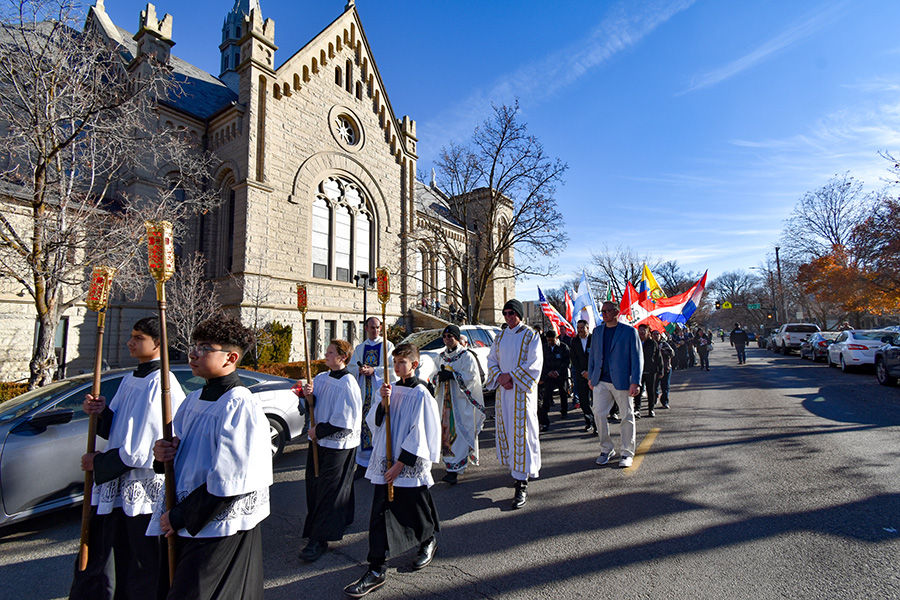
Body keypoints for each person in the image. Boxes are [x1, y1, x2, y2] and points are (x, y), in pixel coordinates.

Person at [149, 314, 271, 600]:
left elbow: (232, 479)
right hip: (187, 517)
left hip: (215, 524)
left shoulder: (240, 404)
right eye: (195, 345)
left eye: (204, 348)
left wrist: (179, 516)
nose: (193, 353)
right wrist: (162, 454)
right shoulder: (193, 399)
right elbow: (182, 458)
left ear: (230, 358)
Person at [71, 317, 186, 600]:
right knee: (114, 555)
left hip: (142, 486)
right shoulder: (130, 379)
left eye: (138, 337)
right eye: (131, 336)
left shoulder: (162, 383)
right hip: (118, 483)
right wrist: (98, 412)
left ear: (157, 343)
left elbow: (141, 450)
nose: (129, 342)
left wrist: (98, 463)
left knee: (140, 562)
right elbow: (116, 430)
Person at [344, 344, 441, 598]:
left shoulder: (421, 393)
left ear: (414, 364)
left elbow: (421, 432)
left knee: (417, 507)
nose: (397, 367)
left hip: (406, 463)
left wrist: (401, 464)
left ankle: (428, 539)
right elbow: (375, 422)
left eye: (402, 363)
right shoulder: (388, 389)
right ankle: (377, 567)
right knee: (379, 512)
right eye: (395, 362)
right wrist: (383, 403)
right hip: (385, 460)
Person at [299, 339, 362, 562]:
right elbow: (313, 405)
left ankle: (319, 539)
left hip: (337, 443)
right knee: (316, 484)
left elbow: (345, 419)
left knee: (329, 489)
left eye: (330, 352)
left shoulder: (348, 383)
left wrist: (320, 430)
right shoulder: (320, 378)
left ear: (343, 357)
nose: (325, 355)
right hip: (318, 439)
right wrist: (306, 396)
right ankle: (343, 517)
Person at [486, 299, 542, 509]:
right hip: (504, 393)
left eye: (512, 313)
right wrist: (499, 376)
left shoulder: (530, 335)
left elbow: (534, 363)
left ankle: (522, 482)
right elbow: (491, 359)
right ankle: (516, 471)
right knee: (509, 433)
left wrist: (512, 377)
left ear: (519, 314)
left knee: (523, 433)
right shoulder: (499, 336)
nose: (508, 317)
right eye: (506, 313)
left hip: (521, 393)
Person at [587, 301, 642, 469]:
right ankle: (606, 449)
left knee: (626, 416)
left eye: (607, 311)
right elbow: (593, 356)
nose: (604, 314)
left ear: (616, 312)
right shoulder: (597, 332)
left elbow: (637, 358)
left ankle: (626, 452)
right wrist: (591, 376)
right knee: (598, 414)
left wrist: (636, 382)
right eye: (602, 311)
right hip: (600, 381)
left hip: (622, 381)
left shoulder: (629, 332)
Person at [429, 325, 485, 484]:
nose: (447, 339)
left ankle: (455, 469)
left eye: (450, 336)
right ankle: (450, 465)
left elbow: (472, 378)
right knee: (446, 433)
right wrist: (438, 377)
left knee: (459, 433)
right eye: (444, 336)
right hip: (445, 402)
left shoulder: (466, 356)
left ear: (456, 337)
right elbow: (433, 376)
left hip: (460, 403)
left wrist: (453, 376)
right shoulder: (440, 356)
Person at [349, 317, 395, 470]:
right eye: (371, 327)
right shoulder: (360, 348)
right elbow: (351, 368)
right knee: (363, 425)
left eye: (377, 327)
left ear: (380, 328)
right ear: (366, 328)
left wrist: (374, 370)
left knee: (379, 425)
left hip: (379, 394)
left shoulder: (388, 346)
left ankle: (381, 462)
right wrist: (360, 370)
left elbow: (394, 369)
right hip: (363, 394)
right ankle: (363, 464)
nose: (374, 330)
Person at [538, 329, 570, 432]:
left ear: (556, 338)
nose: (550, 342)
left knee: (563, 393)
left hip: (561, 375)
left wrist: (558, 372)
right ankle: (544, 414)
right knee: (547, 395)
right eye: (548, 340)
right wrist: (548, 372)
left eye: (552, 340)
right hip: (549, 376)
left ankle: (564, 411)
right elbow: (541, 362)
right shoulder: (544, 348)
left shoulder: (563, 347)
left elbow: (567, 362)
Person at [569, 319, 597, 435]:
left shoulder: (594, 339)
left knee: (596, 402)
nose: (580, 330)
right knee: (584, 402)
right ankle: (589, 422)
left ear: (587, 328)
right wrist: (582, 372)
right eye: (578, 328)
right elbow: (574, 359)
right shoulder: (574, 341)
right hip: (581, 376)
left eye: (582, 328)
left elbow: (598, 357)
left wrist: (591, 373)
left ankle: (597, 424)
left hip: (594, 376)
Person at [635, 324, 662, 418]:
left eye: (644, 330)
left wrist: (660, 370)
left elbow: (658, 357)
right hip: (638, 371)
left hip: (651, 371)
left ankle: (651, 409)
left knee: (651, 391)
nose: (641, 332)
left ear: (648, 332)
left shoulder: (653, 343)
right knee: (638, 391)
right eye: (640, 330)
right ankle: (637, 410)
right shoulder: (636, 342)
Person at [653, 330, 674, 409]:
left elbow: (672, 353)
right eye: (654, 334)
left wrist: (663, 351)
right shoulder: (650, 344)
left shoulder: (664, 344)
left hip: (666, 368)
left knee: (665, 386)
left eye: (657, 334)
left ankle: (665, 402)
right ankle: (655, 398)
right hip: (655, 369)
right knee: (654, 386)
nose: (656, 336)